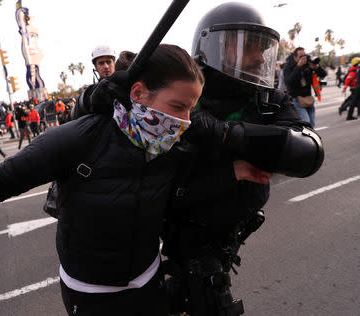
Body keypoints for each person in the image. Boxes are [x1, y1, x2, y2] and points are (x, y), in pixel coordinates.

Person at [0, 44, 270, 315]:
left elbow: (180, 196)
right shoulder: (82, 137)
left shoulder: (173, 145)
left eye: (190, 110)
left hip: (150, 285)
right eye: (177, 106)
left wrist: (233, 173)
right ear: (138, 94)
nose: (184, 121)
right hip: (90, 297)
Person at [72, 3, 324, 315]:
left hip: (228, 233)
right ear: (214, 46)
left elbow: (308, 153)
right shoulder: (184, 86)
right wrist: (90, 99)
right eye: (248, 45)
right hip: (181, 229)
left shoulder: (266, 98)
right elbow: (90, 119)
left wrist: (224, 133)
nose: (259, 57)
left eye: (263, 47)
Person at [283, 47, 327, 127]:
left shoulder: (308, 65)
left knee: (312, 124)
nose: (304, 58)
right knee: (306, 123)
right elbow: (289, 82)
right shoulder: (288, 66)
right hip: (296, 99)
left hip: (308, 98)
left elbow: (323, 74)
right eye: (301, 57)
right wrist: (298, 67)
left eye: (305, 56)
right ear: (295, 57)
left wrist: (317, 68)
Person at [70, 45, 116, 120]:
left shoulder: (125, 81)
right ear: (95, 67)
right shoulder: (89, 92)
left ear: (114, 63)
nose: (106, 66)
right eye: (101, 63)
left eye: (108, 62)